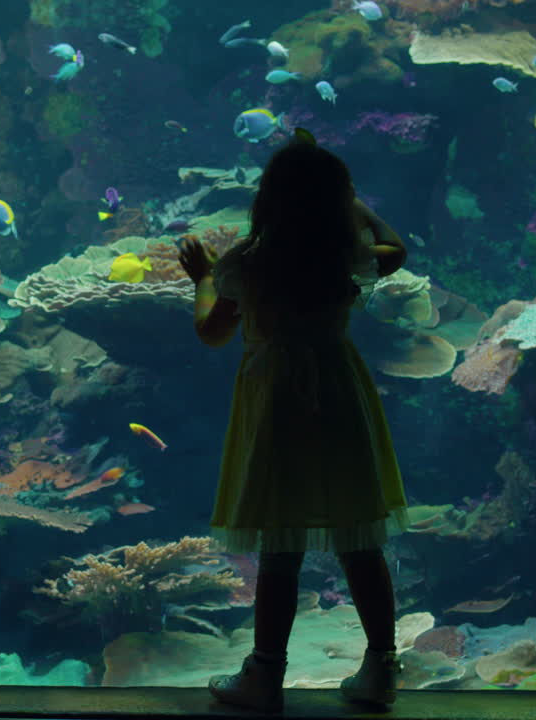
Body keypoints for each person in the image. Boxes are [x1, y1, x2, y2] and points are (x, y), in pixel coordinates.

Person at [178, 130, 410, 713]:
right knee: (360, 536)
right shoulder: (344, 258)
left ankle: (265, 676)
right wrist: (353, 207)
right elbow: (397, 248)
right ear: (339, 202)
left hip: (277, 400)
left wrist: (203, 279)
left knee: (280, 544)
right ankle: (382, 667)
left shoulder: (247, 263)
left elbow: (213, 331)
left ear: (267, 200)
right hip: (337, 390)